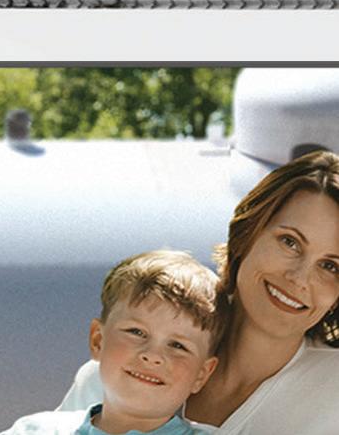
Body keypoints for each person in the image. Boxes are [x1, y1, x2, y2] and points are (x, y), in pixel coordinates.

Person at [57, 150, 339, 433]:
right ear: (248, 233)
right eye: (289, 242)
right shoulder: (110, 373)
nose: (299, 279)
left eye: (330, 266)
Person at [0, 249, 226, 434]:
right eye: (137, 332)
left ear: (202, 374)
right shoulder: (34, 430)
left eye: (178, 345)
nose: (152, 356)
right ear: (98, 341)